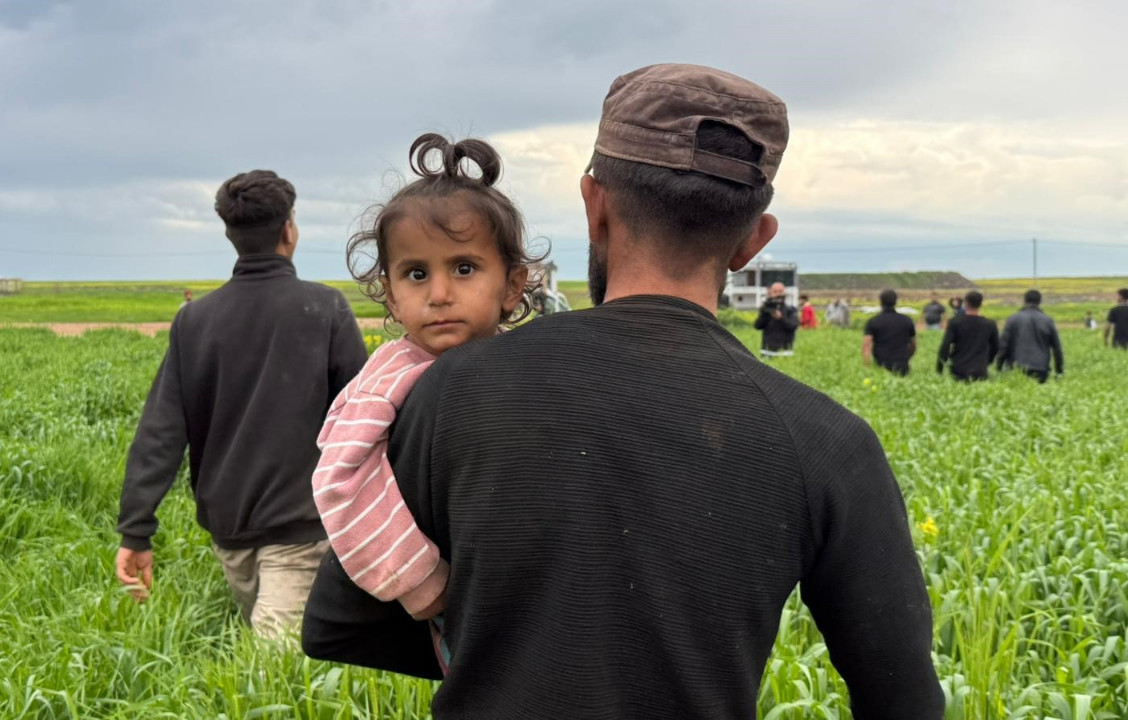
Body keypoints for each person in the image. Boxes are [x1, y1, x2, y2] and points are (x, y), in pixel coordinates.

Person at [303, 63, 943, 719]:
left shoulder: (446, 390)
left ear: (594, 205)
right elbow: (904, 699)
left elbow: (336, 623)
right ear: (754, 240)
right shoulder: (826, 441)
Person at [116, 170, 368, 638]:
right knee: (276, 675)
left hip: (236, 530)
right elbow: (365, 420)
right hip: (302, 520)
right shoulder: (325, 308)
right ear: (288, 230)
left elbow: (161, 432)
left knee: (272, 669)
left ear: (231, 236)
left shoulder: (195, 319)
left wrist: (137, 530)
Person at [313, 134, 532, 633]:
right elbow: (339, 482)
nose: (439, 294)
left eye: (463, 268)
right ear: (390, 295)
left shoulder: (519, 361)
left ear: (512, 284)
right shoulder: (391, 377)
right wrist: (420, 580)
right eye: (415, 274)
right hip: (450, 600)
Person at [997, 289, 1063, 383]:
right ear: (1039, 302)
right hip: (1040, 367)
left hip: (1016, 367)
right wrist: (1059, 371)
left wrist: (999, 367)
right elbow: (1057, 348)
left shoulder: (1013, 319)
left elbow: (1003, 345)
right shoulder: (1047, 321)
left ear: (1024, 301)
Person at [936, 290, 999, 381]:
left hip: (958, 369)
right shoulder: (990, 324)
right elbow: (996, 347)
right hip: (980, 370)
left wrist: (940, 368)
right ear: (981, 304)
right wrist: (988, 361)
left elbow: (945, 345)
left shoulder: (955, 322)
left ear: (965, 303)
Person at [863, 289, 917, 375]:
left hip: (881, 366)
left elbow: (866, 346)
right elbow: (913, 345)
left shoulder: (873, 322)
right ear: (896, 302)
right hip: (902, 366)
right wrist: (906, 358)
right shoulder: (907, 320)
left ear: (881, 302)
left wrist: (867, 368)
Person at [754, 281, 799, 356]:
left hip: (785, 351)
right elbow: (757, 326)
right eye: (775, 291)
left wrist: (781, 318)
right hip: (767, 350)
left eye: (780, 291)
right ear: (770, 293)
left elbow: (793, 326)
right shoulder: (766, 309)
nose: (778, 294)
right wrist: (765, 313)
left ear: (784, 293)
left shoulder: (791, 309)